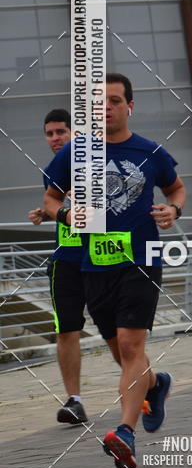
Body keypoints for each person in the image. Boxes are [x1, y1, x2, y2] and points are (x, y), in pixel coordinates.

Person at [43, 74, 185, 468]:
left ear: (129, 107)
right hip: (94, 264)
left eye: (115, 101)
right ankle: (156, 384)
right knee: (121, 354)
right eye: (99, 102)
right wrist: (67, 213)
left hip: (141, 258)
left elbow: (176, 188)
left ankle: (125, 432)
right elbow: (52, 198)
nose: (106, 107)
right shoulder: (75, 153)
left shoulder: (150, 152)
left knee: (129, 346)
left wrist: (173, 209)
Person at [27, 109, 122, 424]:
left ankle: (143, 382)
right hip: (65, 259)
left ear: (74, 134)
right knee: (65, 328)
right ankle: (74, 401)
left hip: (98, 256)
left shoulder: (95, 161)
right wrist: (46, 212)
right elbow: (55, 199)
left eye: (60, 132)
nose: (55, 139)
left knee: (112, 330)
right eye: (50, 133)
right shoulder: (55, 169)